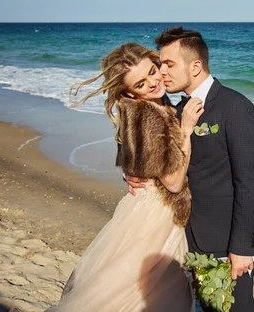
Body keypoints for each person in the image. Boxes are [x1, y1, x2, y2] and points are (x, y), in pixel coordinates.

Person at [48, 43, 203, 312]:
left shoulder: (142, 109)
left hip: (141, 210)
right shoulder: (151, 116)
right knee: (153, 295)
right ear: (130, 92)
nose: (153, 83)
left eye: (153, 72)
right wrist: (187, 130)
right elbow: (174, 183)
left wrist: (131, 171)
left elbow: (135, 153)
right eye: (141, 84)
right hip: (157, 218)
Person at [126, 27, 254, 312]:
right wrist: (134, 174)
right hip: (186, 239)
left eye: (169, 65)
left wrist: (241, 247)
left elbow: (247, 183)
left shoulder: (235, 108)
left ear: (195, 66)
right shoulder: (177, 112)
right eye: (161, 65)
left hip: (225, 242)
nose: (162, 72)